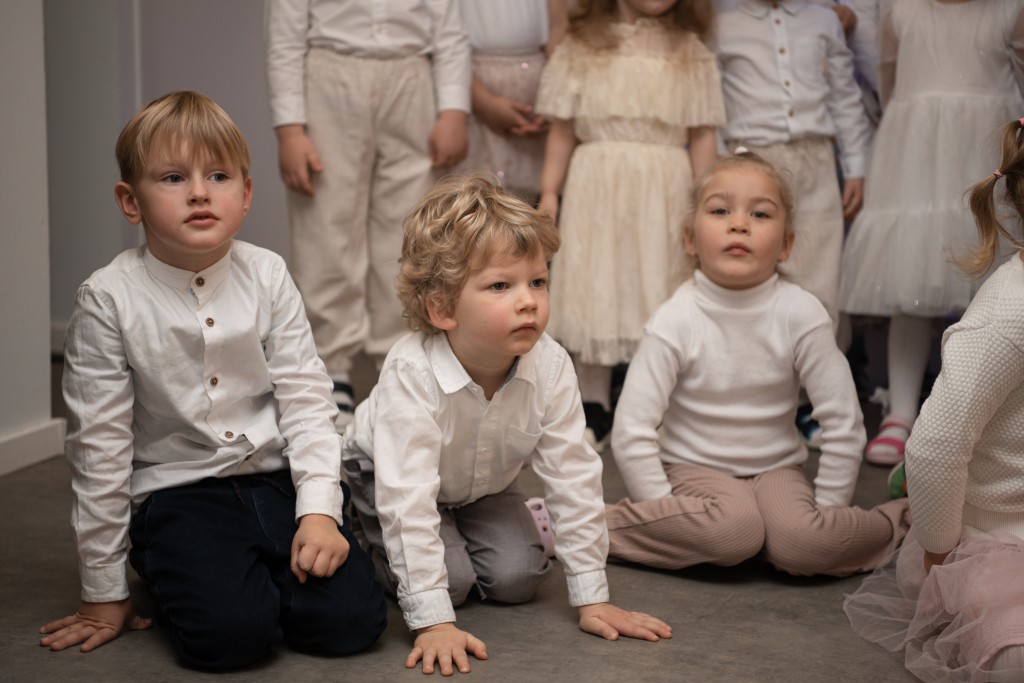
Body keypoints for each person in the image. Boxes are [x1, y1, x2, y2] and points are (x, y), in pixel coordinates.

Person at [39, 91, 387, 670]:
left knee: (350, 624)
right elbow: (99, 448)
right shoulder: (108, 299)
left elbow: (307, 402)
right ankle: (184, 567)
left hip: (277, 479)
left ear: (245, 194)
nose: (200, 192)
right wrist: (103, 590)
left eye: (219, 176)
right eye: (173, 177)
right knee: (231, 638)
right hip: (178, 492)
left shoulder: (267, 274)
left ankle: (246, 573)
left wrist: (320, 512)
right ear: (131, 201)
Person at [341, 176, 672, 676]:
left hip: (482, 482)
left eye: (538, 281)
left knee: (518, 578)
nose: (528, 301)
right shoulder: (411, 372)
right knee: (451, 583)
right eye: (501, 285)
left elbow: (573, 474)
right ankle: (363, 530)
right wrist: (433, 621)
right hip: (387, 477)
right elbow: (408, 499)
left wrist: (593, 596)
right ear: (442, 308)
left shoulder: (551, 365)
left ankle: (476, 529)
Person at [603, 151, 909, 576]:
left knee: (800, 543)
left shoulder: (802, 314)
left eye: (760, 214)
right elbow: (632, 429)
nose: (739, 224)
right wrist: (664, 515)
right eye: (720, 210)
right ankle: (573, 524)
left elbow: (843, 421)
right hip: (692, 469)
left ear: (786, 245)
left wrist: (826, 513)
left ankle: (907, 522)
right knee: (734, 531)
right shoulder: (675, 319)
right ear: (690, 238)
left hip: (776, 471)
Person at [844, 119, 1024, 682]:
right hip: (994, 539)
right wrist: (942, 555)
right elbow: (937, 447)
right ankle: (911, 517)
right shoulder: (1006, 318)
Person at [265, 0, 472, 429]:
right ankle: (331, 366)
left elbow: (450, 31)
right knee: (326, 227)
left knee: (409, 230)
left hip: (412, 75)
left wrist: (454, 108)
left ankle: (401, 361)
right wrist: (290, 129)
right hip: (329, 75)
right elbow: (284, 35)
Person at [839, 0, 1024, 466]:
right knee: (910, 282)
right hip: (915, 155)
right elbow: (889, 83)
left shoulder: (1011, 10)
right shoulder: (900, 10)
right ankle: (900, 412)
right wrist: (915, 126)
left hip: (984, 154)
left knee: (992, 286)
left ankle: (985, 414)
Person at [534, 0, 726, 446]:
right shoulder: (582, 46)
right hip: (596, 183)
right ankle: (592, 401)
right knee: (596, 280)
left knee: (657, 282)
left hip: (665, 187)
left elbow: (702, 134)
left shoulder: (690, 51)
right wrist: (549, 192)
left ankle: (654, 402)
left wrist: (708, 203)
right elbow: (562, 129)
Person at [451, 0, 568, 201]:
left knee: (529, 200)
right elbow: (443, 38)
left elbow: (558, 26)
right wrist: (483, 102)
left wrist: (553, 100)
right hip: (469, 88)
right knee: (474, 195)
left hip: (538, 98)